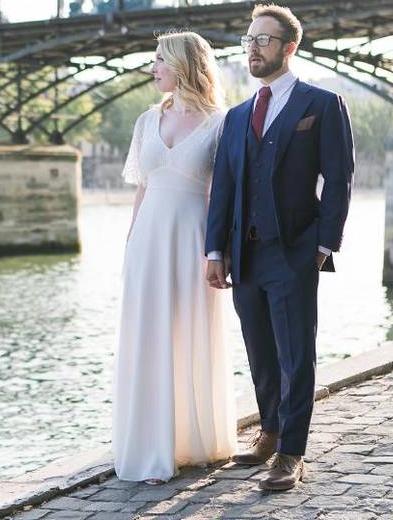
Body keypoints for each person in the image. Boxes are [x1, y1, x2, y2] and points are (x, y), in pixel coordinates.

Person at [205, 4, 354, 491]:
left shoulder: (321, 104)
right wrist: (214, 251)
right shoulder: (236, 116)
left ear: (289, 48)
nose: (252, 48)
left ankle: (291, 451)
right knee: (260, 350)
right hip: (243, 254)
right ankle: (268, 431)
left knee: (296, 354)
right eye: (248, 39)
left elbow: (338, 179)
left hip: (294, 251)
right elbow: (224, 188)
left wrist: (324, 245)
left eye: (263, 40)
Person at [114, 31, 238, 484]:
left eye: (160, 61)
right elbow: (143, 187)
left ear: (184, 66)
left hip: (193, 239)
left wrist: (216, 251)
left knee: (189, 333)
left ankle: (195, 440)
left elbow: (221, 194)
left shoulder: (219, 122)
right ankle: (149, 446)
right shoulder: (147, 120)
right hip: (148, 239)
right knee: (147, 336)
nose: (154, 69)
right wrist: (130, 244)